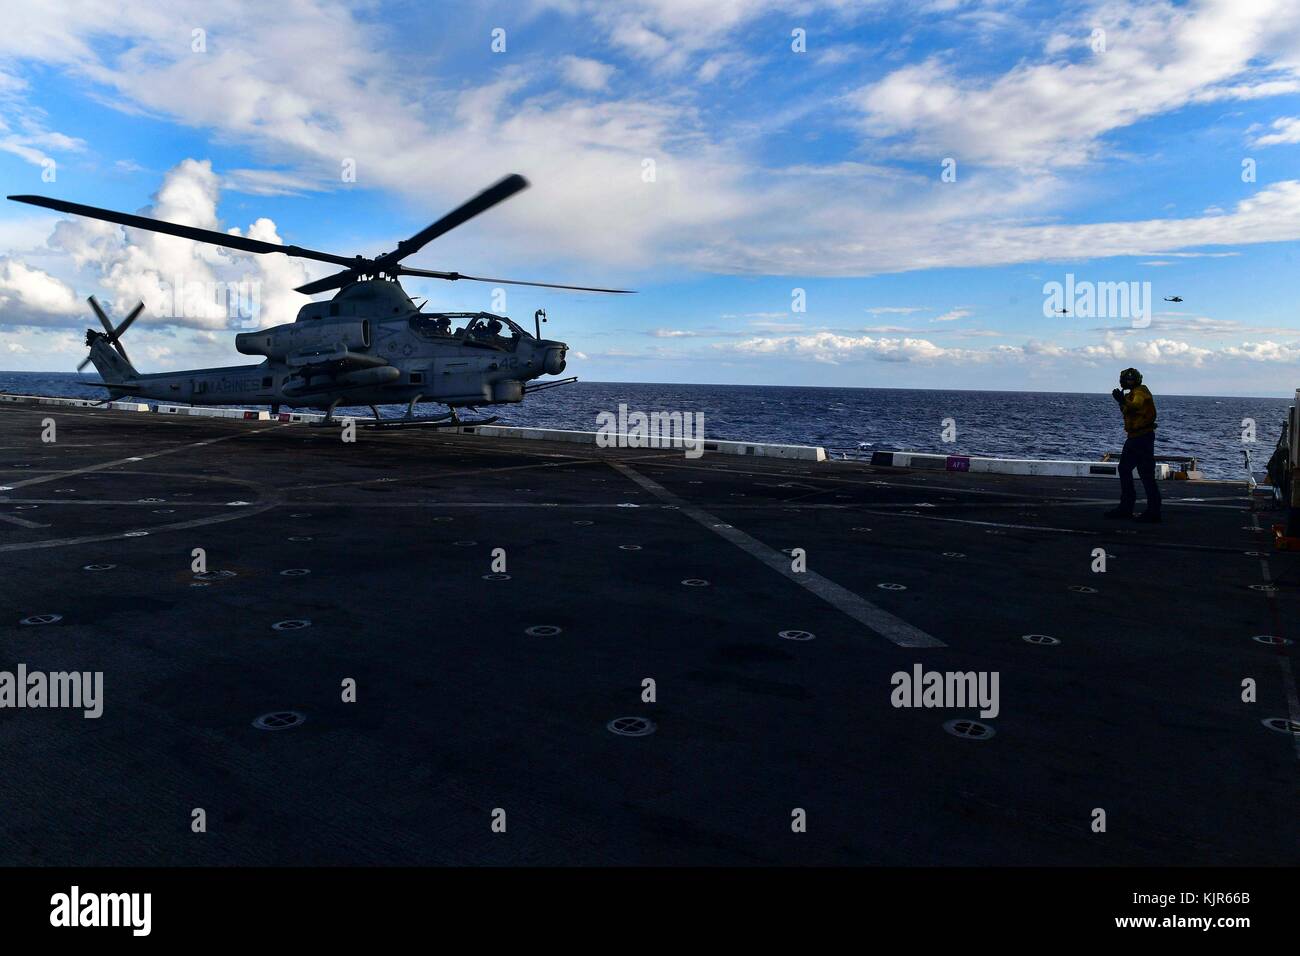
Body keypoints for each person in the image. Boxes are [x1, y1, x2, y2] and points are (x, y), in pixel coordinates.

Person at [1105, 367, 1162, 523]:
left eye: (1129, 379)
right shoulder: (1132, 393)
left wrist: (1121, 400)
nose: (1126, 381)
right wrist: (1121, 401)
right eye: (1126, 379)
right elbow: (1128, 410)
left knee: (1144, 473)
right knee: (1127, 469)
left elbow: (1135, 405)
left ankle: (1150, 510)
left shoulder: (1140, 392)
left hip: (1142, 438)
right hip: (1135, 437)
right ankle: (1129, 507)